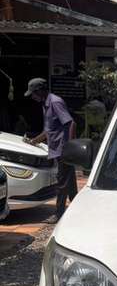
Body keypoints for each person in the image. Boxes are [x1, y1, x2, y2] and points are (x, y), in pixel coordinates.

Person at [24, 77, 78, 220]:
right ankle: (78, 209)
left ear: (40, 91)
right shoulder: (45, 104)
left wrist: (70, 147)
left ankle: (58, 214)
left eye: (33, 94)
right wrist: (34, 141)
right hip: (57, 149)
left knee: (62, 183)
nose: (33, 97)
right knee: (69, 182)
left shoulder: (55, 102)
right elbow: (49, 130)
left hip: (63, 149)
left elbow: (71, 123)